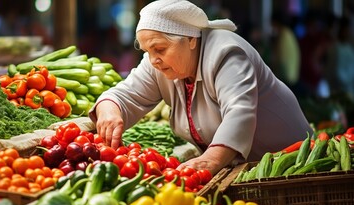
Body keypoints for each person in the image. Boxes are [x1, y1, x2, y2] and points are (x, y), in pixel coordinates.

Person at [88, 0, 313, 175]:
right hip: (245, 168)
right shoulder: (157, 62)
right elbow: (126, 94)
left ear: (190, 40)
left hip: (293, 163)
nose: (154, 59)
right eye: (147, 51)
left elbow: (239, 113)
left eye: (160, 49)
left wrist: (211, 160)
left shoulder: (226, 52)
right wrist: (110, 109)